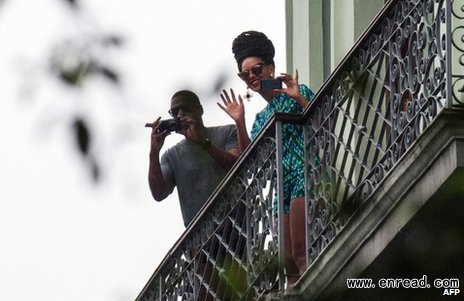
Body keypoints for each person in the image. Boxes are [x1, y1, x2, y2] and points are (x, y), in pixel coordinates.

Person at [217, 30, 315, 284]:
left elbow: (322, 120)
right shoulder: (260, 119)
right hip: (280, 186)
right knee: (288, 263)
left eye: (256, 69)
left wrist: (299, 97)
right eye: (245, 73)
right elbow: (251, 162)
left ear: (270, 67)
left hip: (302, 174)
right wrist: (240, 122)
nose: (251, 77)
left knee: (301, 250)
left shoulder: (296, 92)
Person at [148, 90, 240, 228]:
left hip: (235, 223)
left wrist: (202, 142)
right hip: (199, 238)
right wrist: (154, 153)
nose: (180, 114)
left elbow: (237, 167)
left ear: (199, 109)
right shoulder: (170, 156)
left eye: (185, 108)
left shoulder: (228, 132)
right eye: (174, 112)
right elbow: (159, 193)